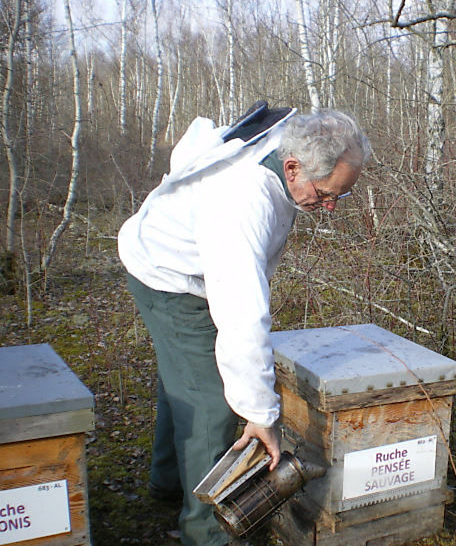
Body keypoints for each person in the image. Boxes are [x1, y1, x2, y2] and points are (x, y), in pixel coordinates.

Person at [118, 105, 371, 546]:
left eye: (340, 196)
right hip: (168, 275)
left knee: (184, 376)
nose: (329, 206)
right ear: (293, 168)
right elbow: (241, 313)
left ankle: (167, 483)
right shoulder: (242, 202)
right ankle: (205, 531)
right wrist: (260, 415)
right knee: (211, 402)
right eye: (326, 193)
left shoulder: (292, 148)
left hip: (183, 261)